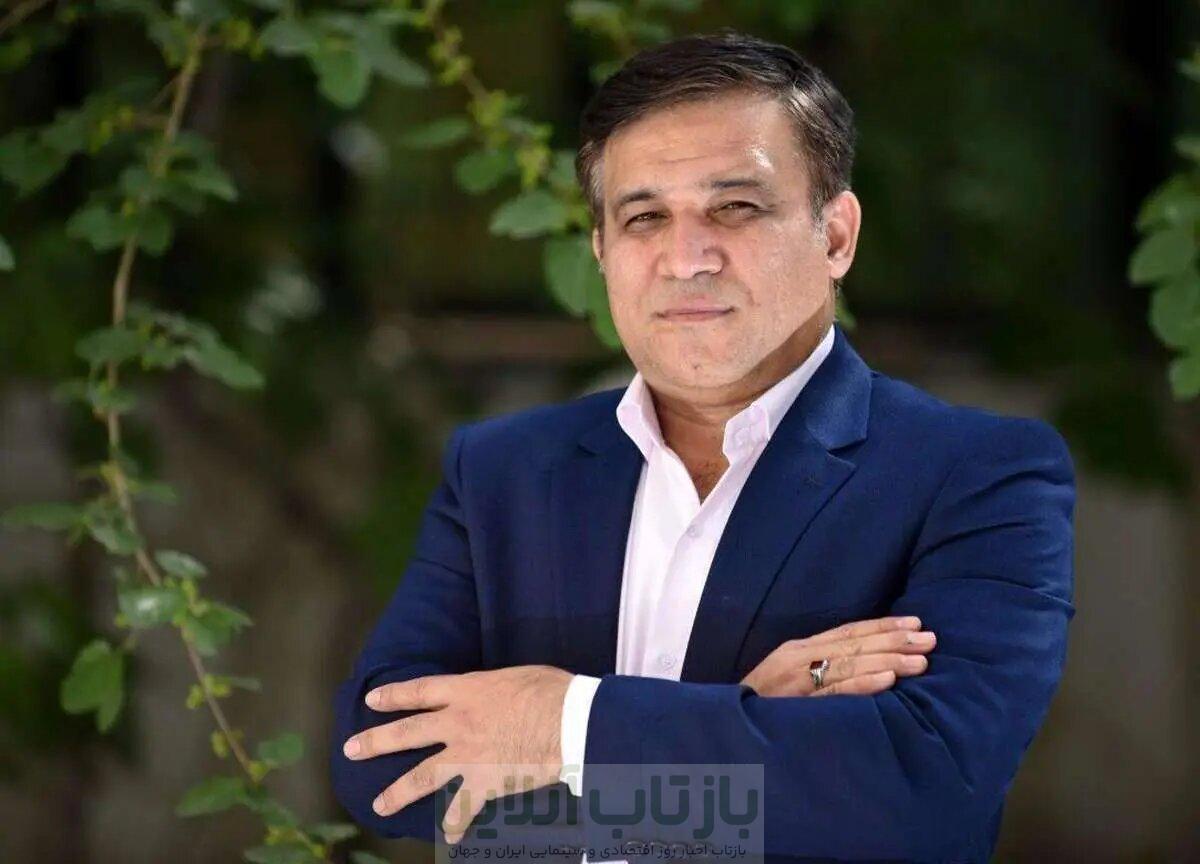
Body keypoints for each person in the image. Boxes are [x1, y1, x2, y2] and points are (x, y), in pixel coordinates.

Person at [330, 31, 1075, 864]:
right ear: (602, 251)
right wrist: (742, 711)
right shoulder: (502, 472)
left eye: (736, 208)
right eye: (645, 217)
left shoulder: (977, 474)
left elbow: (922, 793)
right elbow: (380, 767)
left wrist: (562, 723)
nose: (687, 258)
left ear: (836, 236)